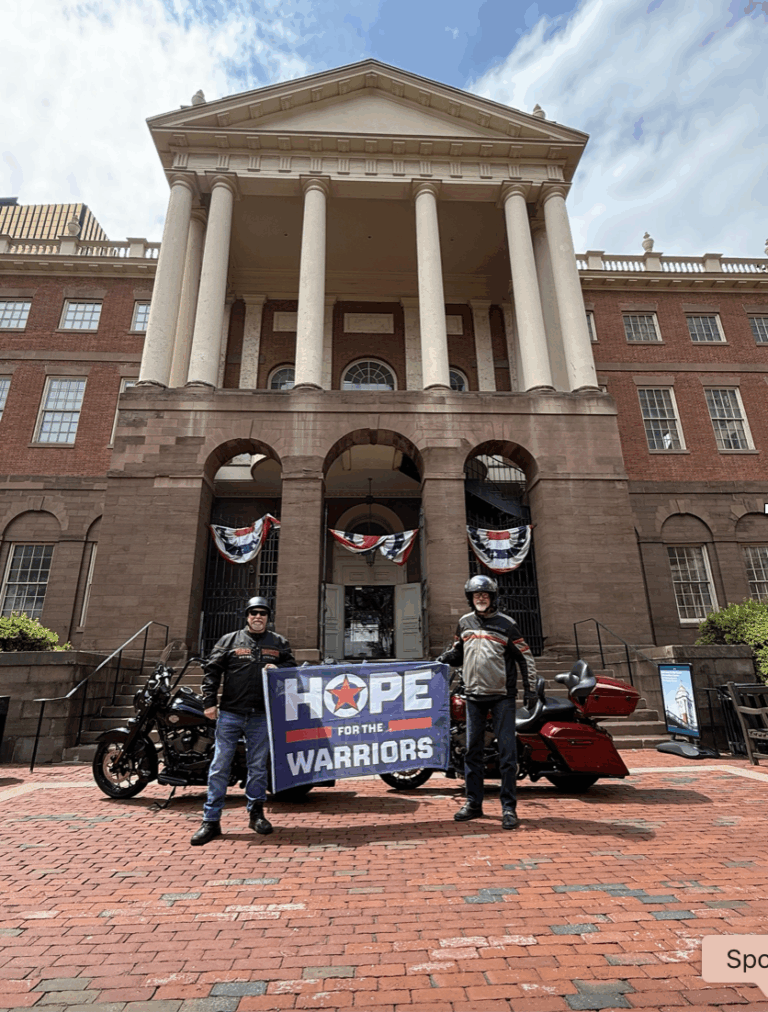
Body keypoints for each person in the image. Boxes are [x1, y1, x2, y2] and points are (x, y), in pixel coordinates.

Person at [190, 596, 296, 845]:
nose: (258, 617)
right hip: (230, 713)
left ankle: (256, 814)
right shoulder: (228, 641)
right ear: (247, 616)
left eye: (262, 613)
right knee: (220, 766)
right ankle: (211, 820)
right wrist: (209, 702)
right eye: (253, 613)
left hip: (261, 714)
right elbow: (212, 671)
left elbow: (292, 670)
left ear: (268, 617)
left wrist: (279, 670)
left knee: (257, 767)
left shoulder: (279, 643)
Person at [437, 574, 537, 830]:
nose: (480, 598)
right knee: (472, 752)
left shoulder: (507, 624)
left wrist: (531, 690)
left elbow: (525, 658)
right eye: (476, 595)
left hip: (502, 696)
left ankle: (508, 808)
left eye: (484, 595)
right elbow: (459, 653)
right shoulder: (464, 623)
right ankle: (473, 803)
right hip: (473, 696)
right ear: (470, 599)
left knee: (507, 754)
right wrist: (447, 657)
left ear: (493, 597)